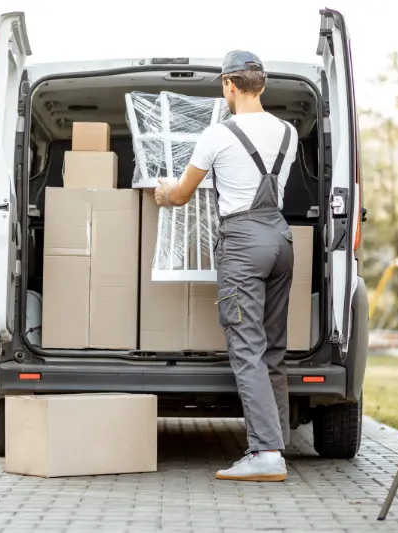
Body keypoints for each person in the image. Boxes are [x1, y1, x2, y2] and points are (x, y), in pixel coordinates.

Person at [155, 51, 298, 482]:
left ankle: (266, 454)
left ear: (229, 86)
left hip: (243, 243)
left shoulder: (218, 134)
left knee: (246, 348)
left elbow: (181, 195)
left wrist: (163, 191)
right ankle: (277, 443)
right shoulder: (288, 131)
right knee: (272, 349)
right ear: (262, 85)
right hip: (281, 240)